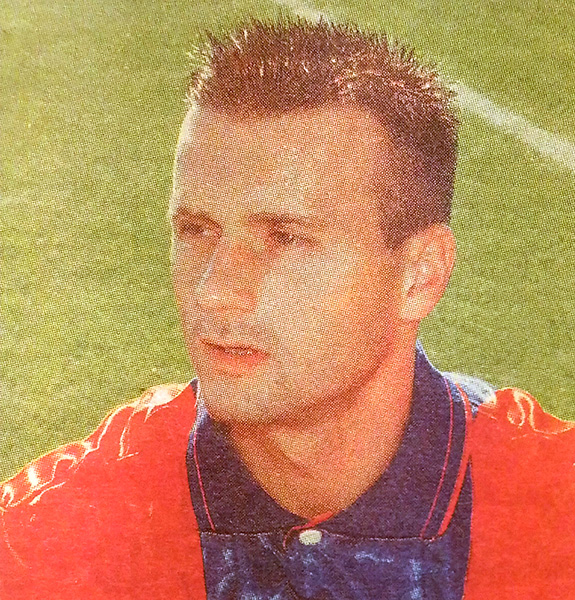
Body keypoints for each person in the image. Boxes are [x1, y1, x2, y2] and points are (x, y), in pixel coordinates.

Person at [1, 19, 574, 600]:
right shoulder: (52, 542)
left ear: (419, 275)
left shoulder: (556, 516)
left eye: (285, 239)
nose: (215, 291)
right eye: (197, 230)